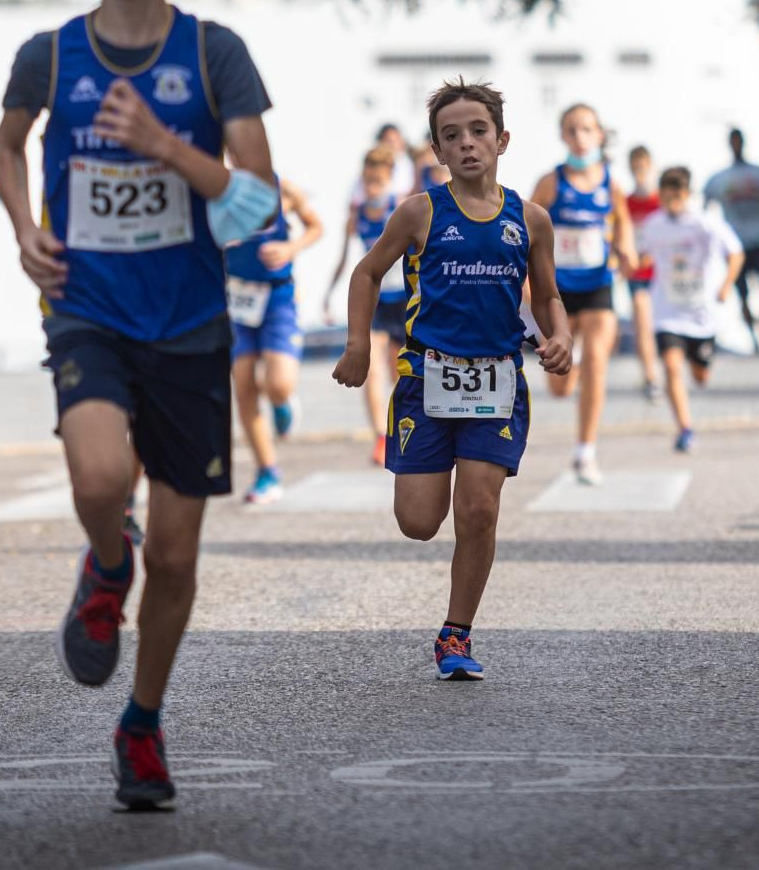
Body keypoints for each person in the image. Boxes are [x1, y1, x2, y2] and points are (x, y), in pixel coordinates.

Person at [0, 0, 278, 811]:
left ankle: (142, 723)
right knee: (102, 478)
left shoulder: (213, 54)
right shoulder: (51, 54)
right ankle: (104, 561)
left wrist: (164, 146)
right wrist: (26, 227)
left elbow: (256, 206)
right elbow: (5, 142)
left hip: (191, 325)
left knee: (182, 558)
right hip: (88, 309)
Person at [333, 78, 571, 681]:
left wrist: (559, 334)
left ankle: (455, 634)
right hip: (425, 381)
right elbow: (366, 273)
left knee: (479, 511)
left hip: (498, 382)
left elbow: (546, 295)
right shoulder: (420, 211)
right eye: (451, 136)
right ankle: (452, 624)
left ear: (502, 139)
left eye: (478, 132)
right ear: (437, 150)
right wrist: (358, 343)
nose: (467, 144)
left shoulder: (530, 219)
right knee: (419, 522)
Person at [528, 103, 635, 485]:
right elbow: (526, 228)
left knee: (597, 361)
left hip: (597, 285)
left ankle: (585, 451)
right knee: (560, 384)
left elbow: (621, 223)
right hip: (557, 291)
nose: (579, 136)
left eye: (586, 129)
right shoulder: (551, 182)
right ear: (563, 136)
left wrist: (626, 251)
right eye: (572, 130)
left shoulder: (611, 183)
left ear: (599, 135)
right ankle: (565, 378)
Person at [227, 175, 323, 503]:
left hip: (277, 298)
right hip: (236, 299)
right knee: (243, 385)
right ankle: (267, 470)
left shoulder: (282, 189)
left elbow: (315, 226)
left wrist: (290, 248)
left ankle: (282, 404)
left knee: (277, 383)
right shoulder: (216, 189)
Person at [635, 167, 743, 453]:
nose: (673, 204)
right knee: (671, 368)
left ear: (687, 195)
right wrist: (631, 262)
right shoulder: (654, 224)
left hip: (701, 314)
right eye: (667, 197)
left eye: (678, 197)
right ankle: (685, 428)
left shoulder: (705, 224)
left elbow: (736, 253)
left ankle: (702, 365)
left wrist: (726, 285)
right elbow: (642, 255)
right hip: (667, 312)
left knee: (700, 376)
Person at [325, 146, 408, 465]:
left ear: (388, 179)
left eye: (378, 181)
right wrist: (329, 293)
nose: (373, 187)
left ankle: (402, 428)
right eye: (368, 180)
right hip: (374, 298)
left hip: (402, 297)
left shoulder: (399, 208)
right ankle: (380, 437)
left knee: (398, 370)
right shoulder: (356, 214)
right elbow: (345, 258)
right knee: (371, 370)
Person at [703, 128, 759, 351]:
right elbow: (705, 206)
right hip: (736, 248)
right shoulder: (719, 179)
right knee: (743, 296)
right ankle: (755, 336)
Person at [625, 145, 662, 401]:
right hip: (637, 274)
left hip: (663, 275)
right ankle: (650, 376)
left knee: (660, 325)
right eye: (636, 168)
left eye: (644, 168)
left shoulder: (661, 202)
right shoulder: (626, 203)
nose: (640, 173)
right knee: (642, 320)